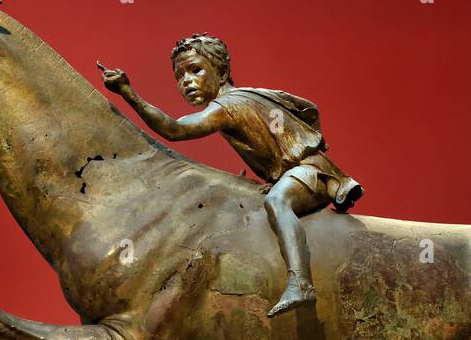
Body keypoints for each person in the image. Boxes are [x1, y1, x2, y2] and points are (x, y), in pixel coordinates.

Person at [98, 33, 363, 317]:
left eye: (196, 70)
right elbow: (310, 109)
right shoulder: (245, 98)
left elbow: (174, 130)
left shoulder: (227, 106)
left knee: (277, 202)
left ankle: (300, 281)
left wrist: (129, 94)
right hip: (299, 170)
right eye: (180, 76)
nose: (186, 81)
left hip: (311, 172)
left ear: (222, 72)